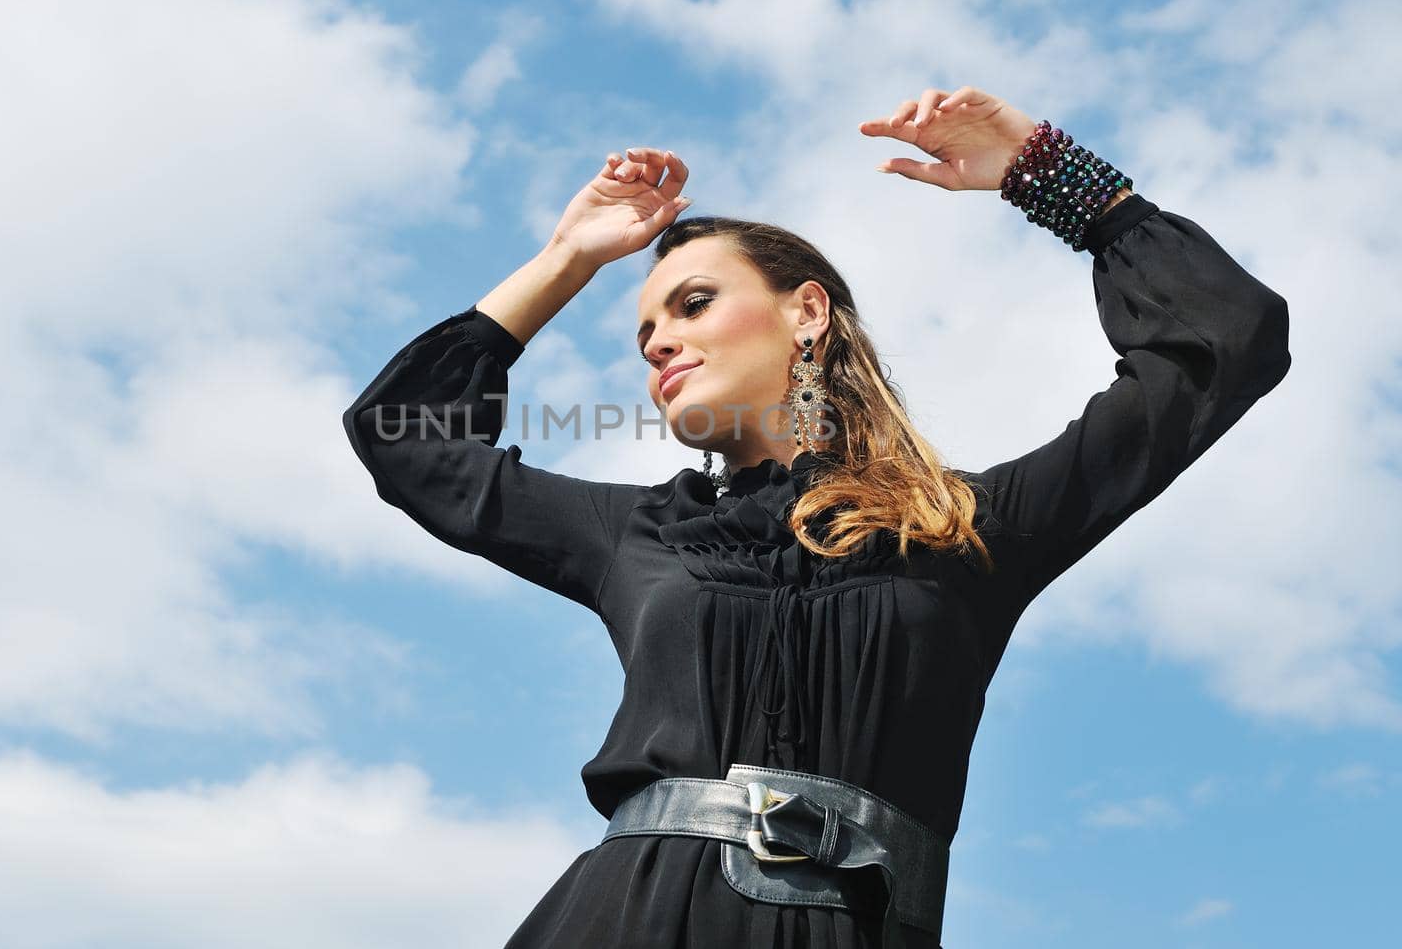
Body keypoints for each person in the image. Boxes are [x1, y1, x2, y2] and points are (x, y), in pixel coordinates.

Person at [342, 86, 1292, 948]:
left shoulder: (971, 525)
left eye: (693, 302)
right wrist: (568, 257)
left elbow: (1225, 345)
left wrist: (1050, 175)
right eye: (644, 333)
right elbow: (400, 436)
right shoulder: (636, 533)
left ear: (807, 313)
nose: (659, 340)